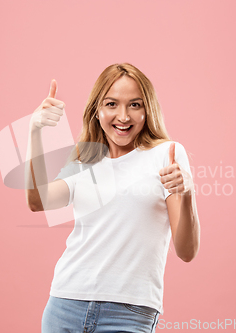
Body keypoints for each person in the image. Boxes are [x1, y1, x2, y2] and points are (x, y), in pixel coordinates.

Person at [25, 63, 200, 333]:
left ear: (147, 109)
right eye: (111, 104)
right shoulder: (84, 157)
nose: (123, 116)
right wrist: (34, 131)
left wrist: (186, 193)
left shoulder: (168, 154)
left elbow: (186, 252)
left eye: (135, 105)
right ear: (97, 110)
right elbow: (38, 201)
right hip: (65, 305)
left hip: (128, 313)